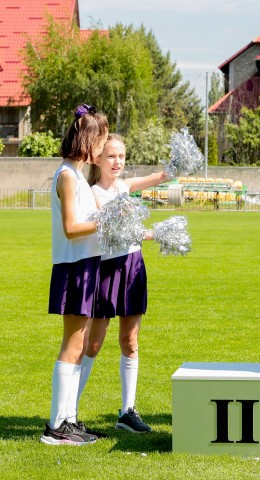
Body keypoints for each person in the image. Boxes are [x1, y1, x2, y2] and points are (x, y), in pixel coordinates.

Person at [76, 134, 170, 433]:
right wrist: (152, 234)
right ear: (98, 159)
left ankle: (127, 412)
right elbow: (112, 231)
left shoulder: (125, 187)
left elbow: (162, 177)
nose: (117, 162)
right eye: (111, 156)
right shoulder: (92, 193)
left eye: (122, 156)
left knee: (130, 341)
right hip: (106, 269)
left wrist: (178, 165)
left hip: (132, 266)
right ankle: (68, 412)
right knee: (92, 343)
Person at [41, 104, 109, 445]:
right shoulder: (67, 176)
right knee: (71, 345)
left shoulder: (79, 175)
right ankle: (56, 427)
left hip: (86, 264)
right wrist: (106, 221)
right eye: (102, 142)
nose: (104, 149)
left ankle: (69, 419)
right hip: (73, 267)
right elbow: (71, 228)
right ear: (90, 140)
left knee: (79, 345)